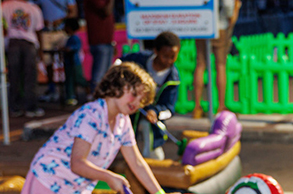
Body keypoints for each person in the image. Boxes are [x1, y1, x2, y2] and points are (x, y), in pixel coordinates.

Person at [14, 62, 177, 194]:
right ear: (118, 86)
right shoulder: (91, 115)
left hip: (77, 188)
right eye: (134, 95)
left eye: (142, 100)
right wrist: (108, 176)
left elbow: (136, 162)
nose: (137, 103)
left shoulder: (123, 122)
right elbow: (77, 163)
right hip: (50, 179)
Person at [122, 32, 181, 160]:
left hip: (151, 122)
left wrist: (155, 112)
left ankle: (150, 154)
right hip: (127, 113)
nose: (169, 61)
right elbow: (118, 65)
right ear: (156, 51)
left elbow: (169, 109)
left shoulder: (173, 79)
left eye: (173, 56)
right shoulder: (138, 60)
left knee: (154, 155)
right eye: (165, 56)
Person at [0, 0, 45, 117]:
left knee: (14, 76)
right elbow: (38, 30)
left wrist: (3, 28)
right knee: (30, 77)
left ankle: (15, 107)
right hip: (29, 43)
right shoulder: (33, 8)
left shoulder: (6, 5)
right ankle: (30, 108)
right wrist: (41, 50)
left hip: (13, 42)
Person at [192, 0, 240, 118]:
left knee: (200, 64)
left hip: (200, 25)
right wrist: (232, 15)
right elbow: (228, 4)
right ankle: (220, 106)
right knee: (221, 65)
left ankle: (197, 107)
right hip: (220, 25)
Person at [35, 0, 77, 102]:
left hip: (61, 32)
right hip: (46, 32)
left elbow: (73, 12)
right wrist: (42, 21)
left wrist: (61, 20)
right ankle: (52, 90)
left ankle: (70, 92)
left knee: (68, 60)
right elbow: (34, 9)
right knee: (48, 62)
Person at [84, 0, 115, 93]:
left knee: (106, 76)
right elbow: (107, 11)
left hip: (106, 41)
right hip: (99, 41)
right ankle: (96, 100)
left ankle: (102, 100)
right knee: (99, 77)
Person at [62, 17, 86, 106]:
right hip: (68, 63)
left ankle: (91, 88)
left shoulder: (75, 37)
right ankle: (70, 97)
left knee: (78, 79)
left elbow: (76, 47)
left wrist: (68, 49)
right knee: (69, 81)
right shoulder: (69, 38)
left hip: (74, 63)